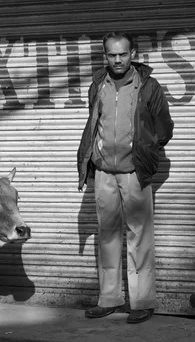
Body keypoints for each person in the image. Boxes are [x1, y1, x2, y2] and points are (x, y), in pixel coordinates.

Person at [77, 31, 174, 324]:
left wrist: (143, 149)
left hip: (134, 173)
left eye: (122, 54)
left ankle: (142, 302)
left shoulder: (148, 86)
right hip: (104, 172)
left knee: (139, 237)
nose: (117, 60)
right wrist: (95, 156)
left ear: (133, 53)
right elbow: (95, 123)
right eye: (111, 54)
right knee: (107, 236)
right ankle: (109, 299)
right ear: (105, 55)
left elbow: (164, 129)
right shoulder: (98, 85)